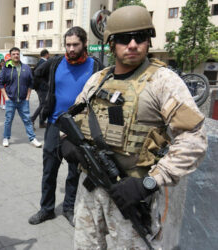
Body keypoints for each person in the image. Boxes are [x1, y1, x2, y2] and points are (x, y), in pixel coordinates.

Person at [70, 6, 207, 249]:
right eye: (123, 38)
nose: (132, 44)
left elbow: (194, 139)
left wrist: (150, 182)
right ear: (111, 43)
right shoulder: (98, 79)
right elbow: (73, 116)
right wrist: (65, 142)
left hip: (131, 193)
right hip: (89, 189)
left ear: (148, 41)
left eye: (140, 37)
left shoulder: (163, 81)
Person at [28, 26, 103, 226]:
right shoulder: (55, 63)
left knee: (74, 171)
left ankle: (69, 208)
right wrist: (45, 99)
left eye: (75, 44)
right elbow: (35, 78)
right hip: (54, 123)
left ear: (85, 43)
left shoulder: (96, 67)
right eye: (68, 44)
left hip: (79, 128)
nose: (70, 48)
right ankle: (46, 209)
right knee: (49, 169)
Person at [0, 47, 42, 148]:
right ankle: (6, 138)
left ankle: (32, 138)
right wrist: (6, 97)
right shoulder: (6, 68)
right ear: (10, 55)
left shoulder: (26, 68)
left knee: (27, 120)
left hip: (23, 100)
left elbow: (31, 83)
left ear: (19, 55)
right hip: (10, 100)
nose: (16, 56)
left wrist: (28, 97)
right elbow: (0, 83)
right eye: (13, 54)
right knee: (8, 120)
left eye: (17, 54)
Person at [31, 49, 50, 129]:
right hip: (42, 88)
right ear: (46, 54)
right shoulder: (43, 63)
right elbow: (38, 75)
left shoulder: (40, 62)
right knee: (43, 104)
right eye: (48, 54)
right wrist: (45, 84)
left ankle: (41, 123)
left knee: (42, 104)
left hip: (39, 87)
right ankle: (32, 119)